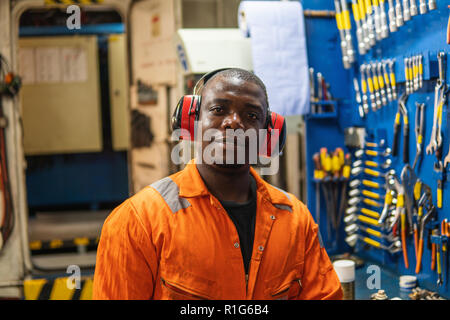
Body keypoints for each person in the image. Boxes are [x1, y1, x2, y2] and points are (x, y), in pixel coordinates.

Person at [92, 68, 343, 300]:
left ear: (269, 136)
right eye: (218, 110)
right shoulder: (138, 221)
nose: (234, 122)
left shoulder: (296, 220)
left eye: (252, 115)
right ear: (192, 122)